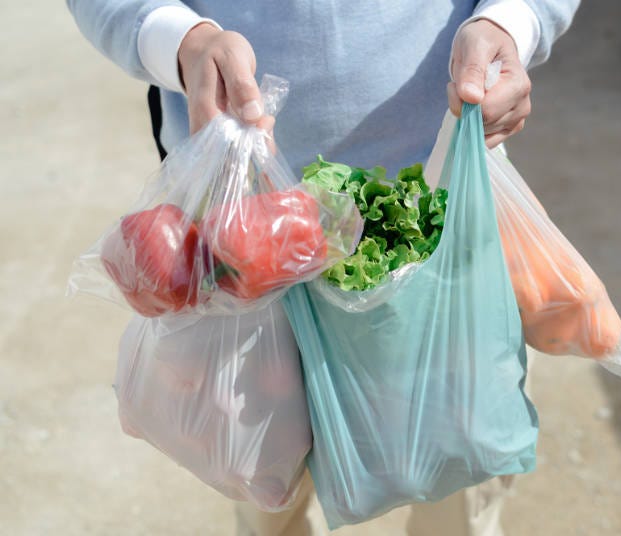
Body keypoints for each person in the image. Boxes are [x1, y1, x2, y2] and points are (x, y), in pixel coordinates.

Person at [67, 1, 579, 534]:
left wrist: (510, 21)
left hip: (435, 220)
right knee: (267, 496)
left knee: (458, 486)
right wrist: (181, 40)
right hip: (238, 252)